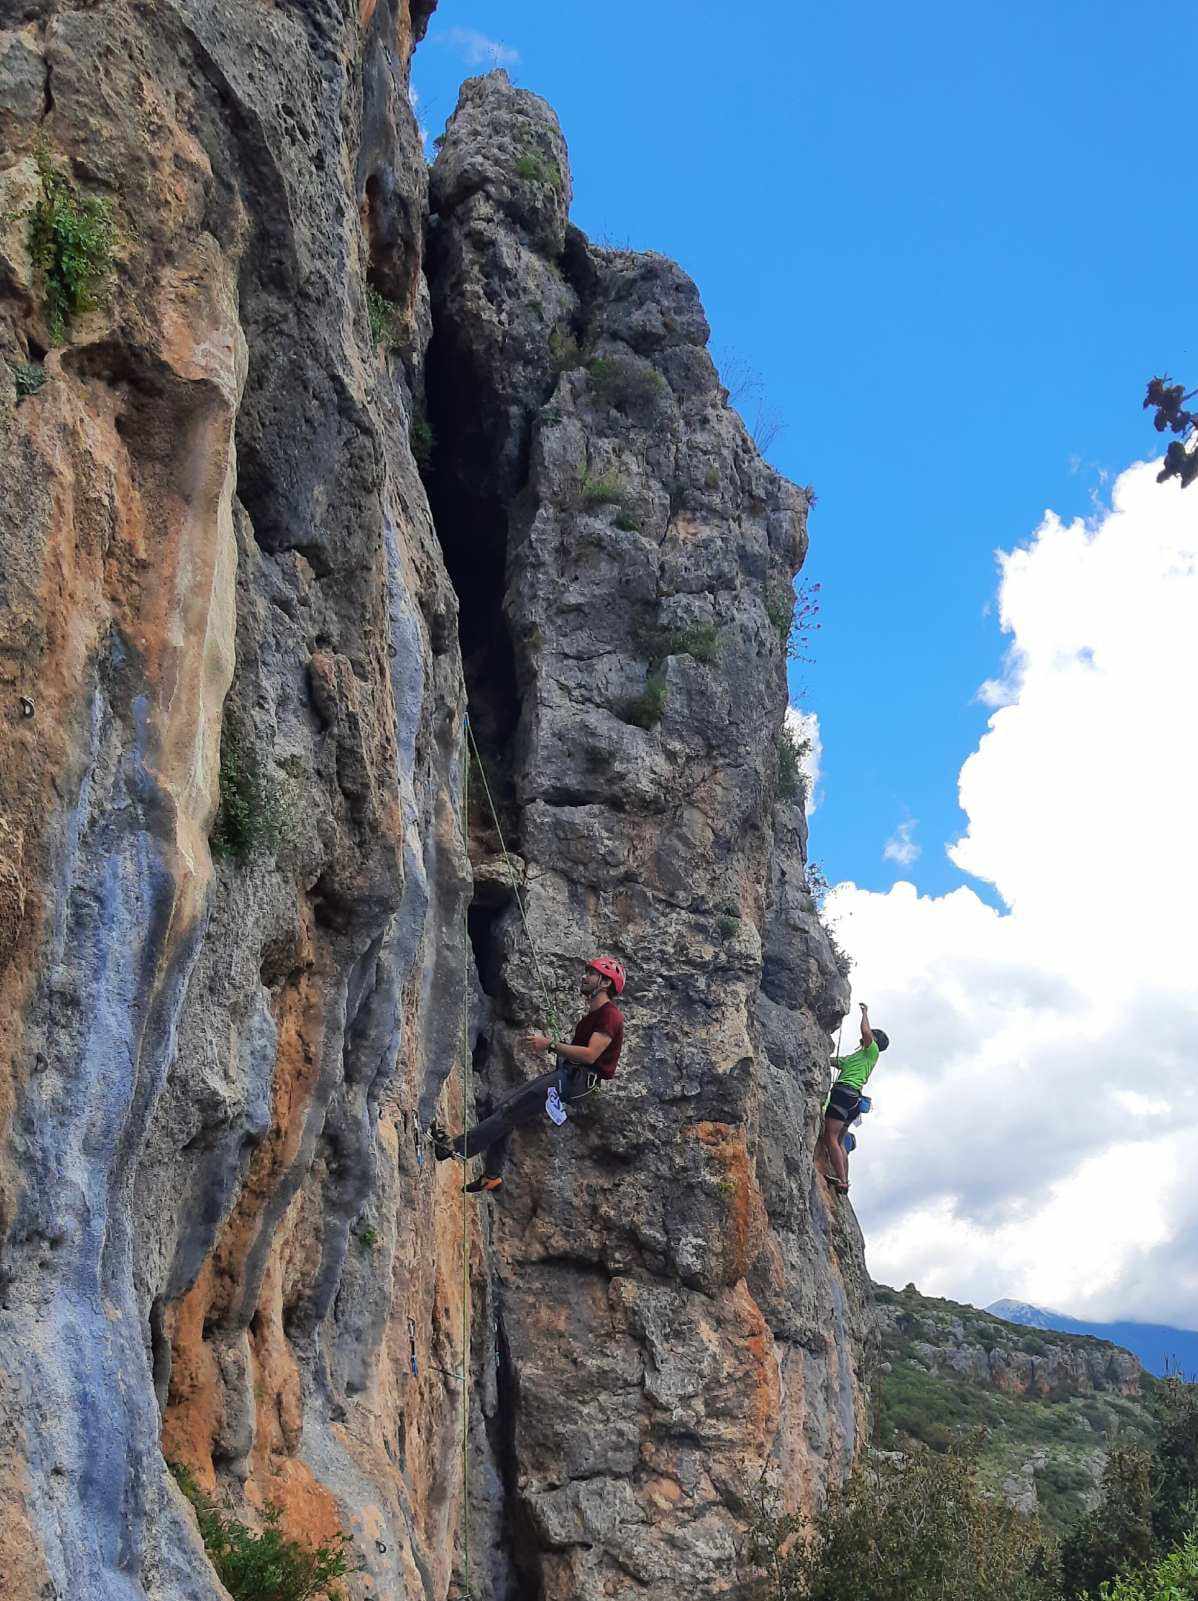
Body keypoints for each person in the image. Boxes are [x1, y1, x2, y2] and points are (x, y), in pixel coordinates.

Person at [429, 955, 626, 1195]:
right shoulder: (594, 1015)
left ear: (604, 983)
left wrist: (550, 1045)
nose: (584, 977)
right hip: (571, 1076)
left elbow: (590, 1055)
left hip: (578, 1080)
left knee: (510, 1111)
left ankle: (456, 1148)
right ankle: (492, 1175)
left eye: (591, 973)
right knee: (504, 1108)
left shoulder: (610, 1016)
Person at [819, 1002, 889, 1196]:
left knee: (830, 1137)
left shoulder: (871, 1051)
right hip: (853, 1100)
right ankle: (845, 1180)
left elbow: (866, 1031)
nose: (867, 1035)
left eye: (871, 1036)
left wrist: (865, 1013)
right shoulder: (856, 1058)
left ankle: (842, 1181)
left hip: (844, 1093)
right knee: (840, 1141)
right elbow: (835, 1061)